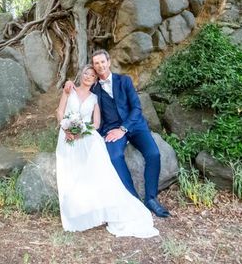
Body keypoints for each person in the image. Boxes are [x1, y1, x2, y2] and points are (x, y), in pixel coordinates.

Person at [56, 65, 159, 238]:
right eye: (86, 73)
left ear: (95, 80)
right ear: (80, 75)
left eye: (92, 75)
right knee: (72, 170)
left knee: (100, 156)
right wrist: (66, 128)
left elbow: (96, 124)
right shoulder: (69, 90)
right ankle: (76, 209)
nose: (88, 76)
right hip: (66, 134)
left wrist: (81, 131)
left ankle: (138, 200)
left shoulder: (96, 96)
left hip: (87, 133)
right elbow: (59, 111)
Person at [65, 50, 171, 218]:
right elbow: (80, 93)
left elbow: (136, 108)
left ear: (108, 62)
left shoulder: (125, 81)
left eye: (102, 62)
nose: (100, 66)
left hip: (135, 126)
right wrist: (70, 84)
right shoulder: (94, 89)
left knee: (153, 153)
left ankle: (151, 199)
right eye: (96, 63)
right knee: (114, 158)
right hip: (110, 130)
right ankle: (134, 201)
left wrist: (123, 129)